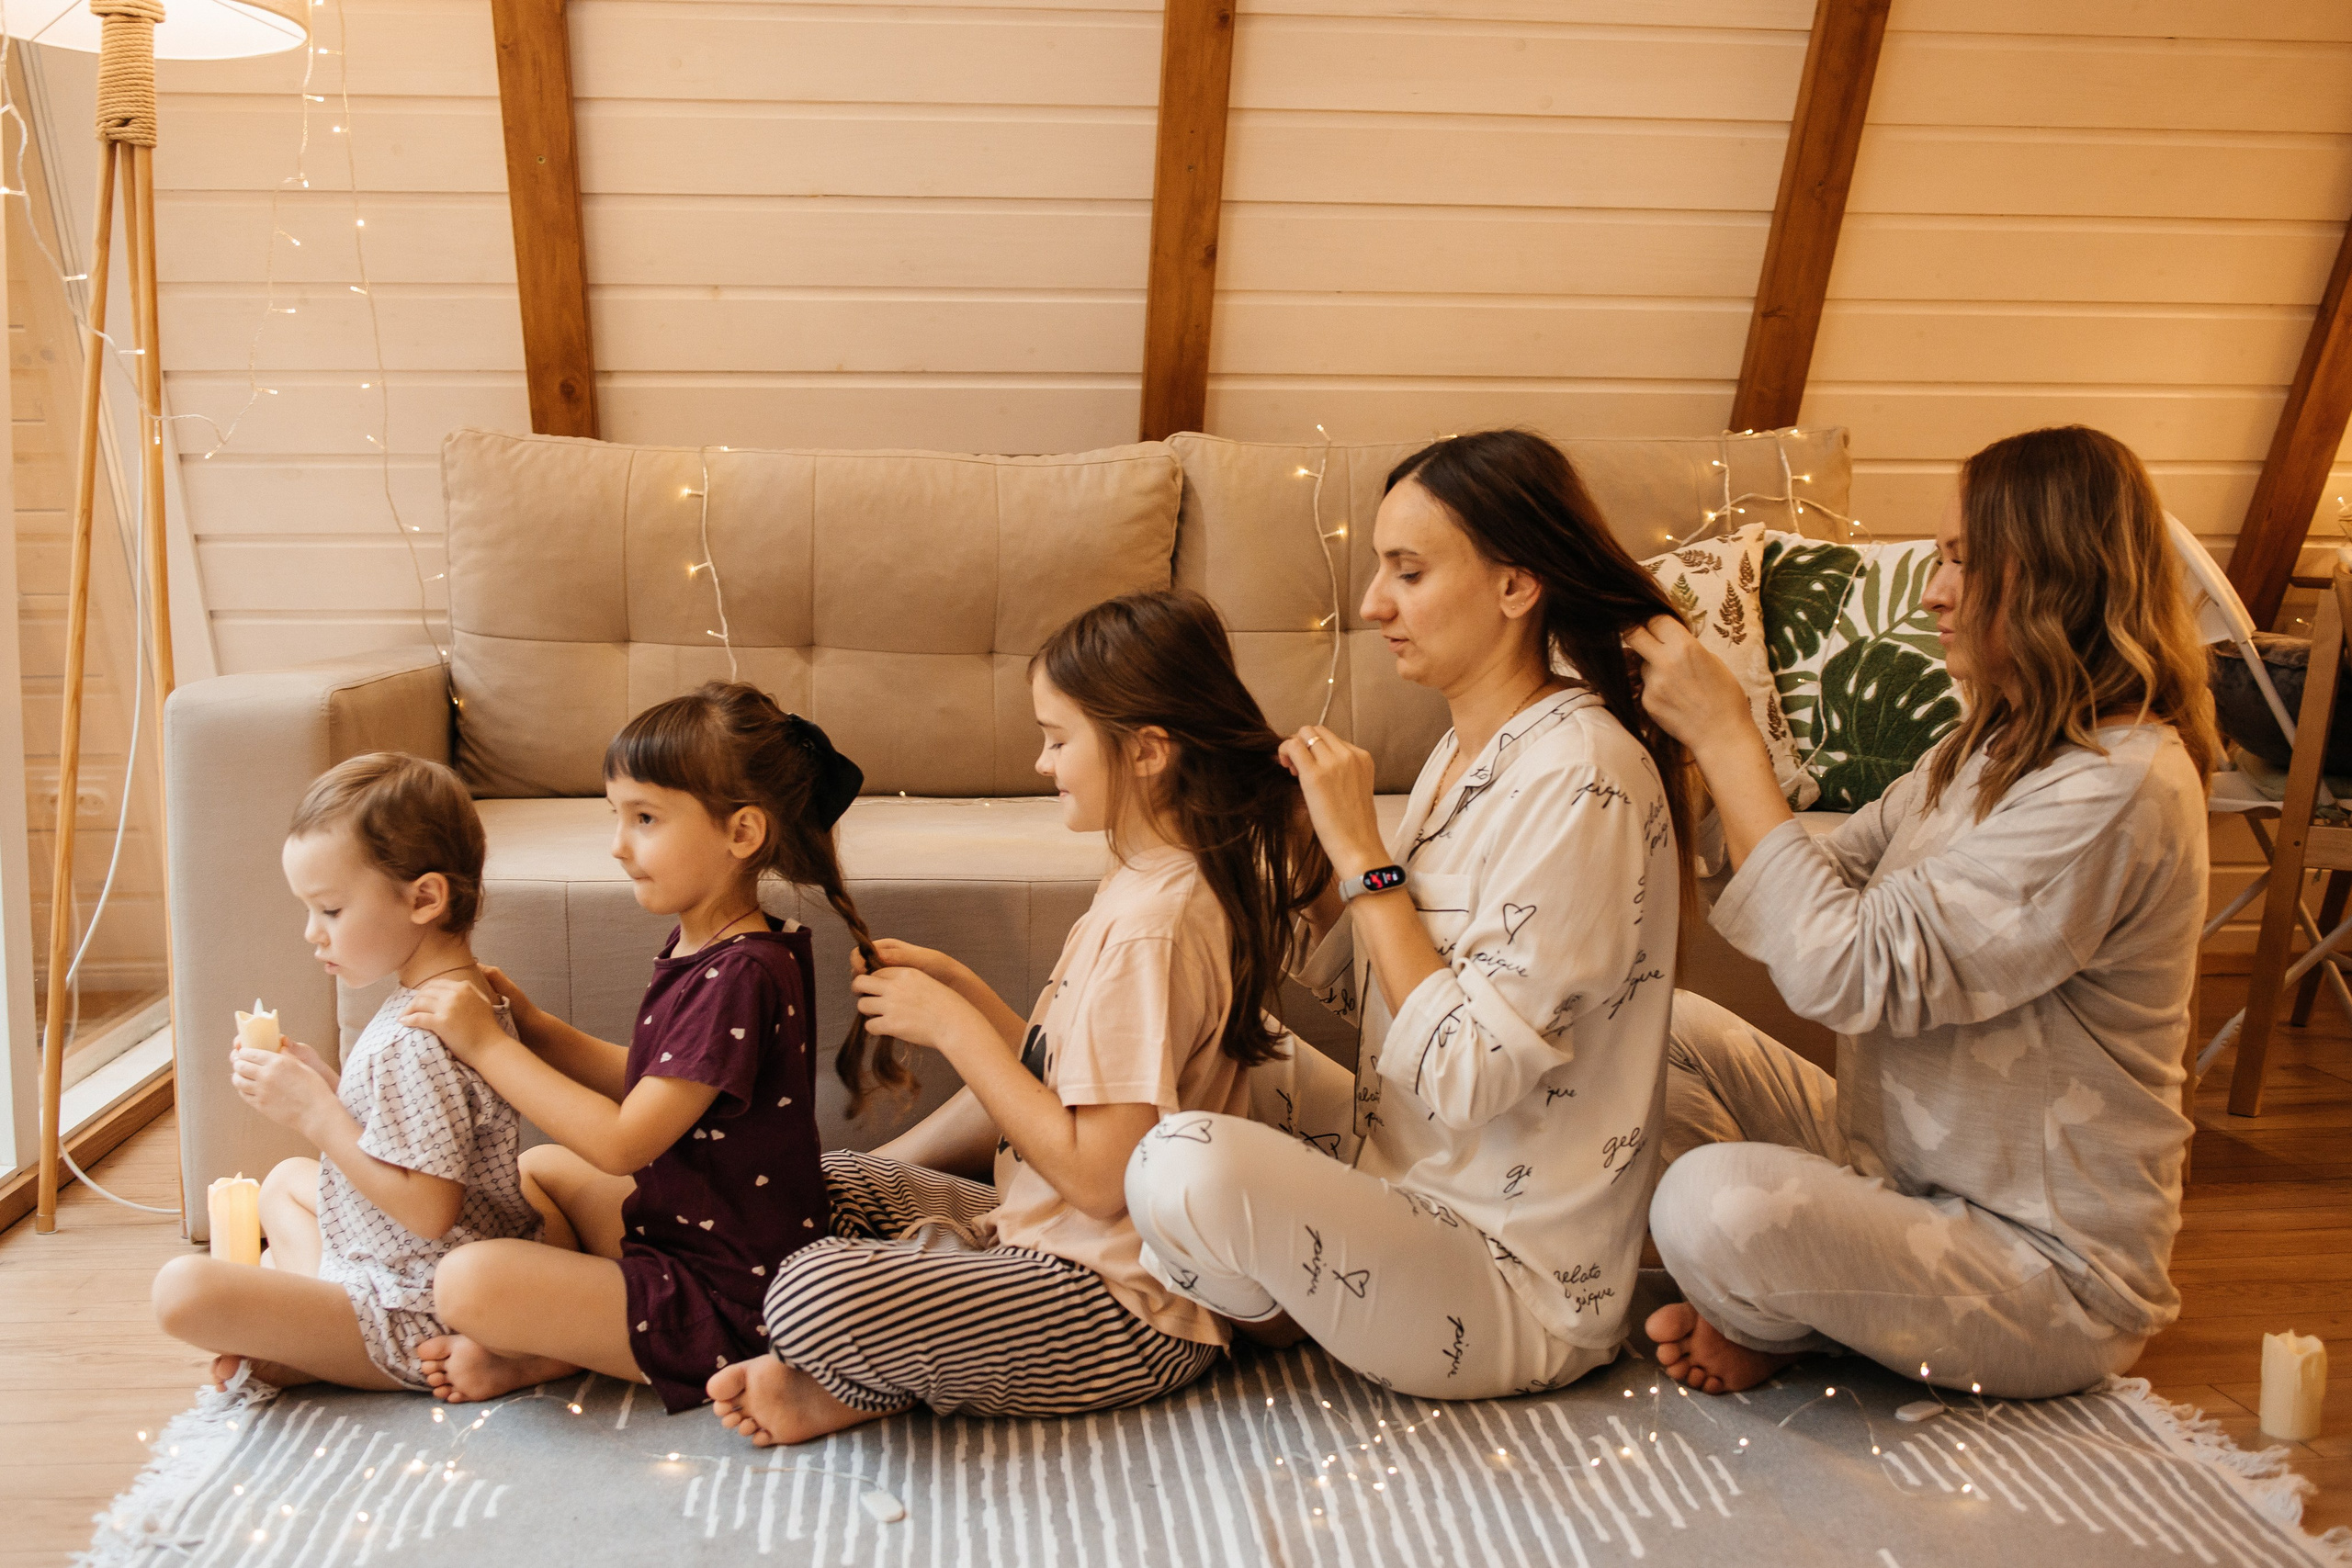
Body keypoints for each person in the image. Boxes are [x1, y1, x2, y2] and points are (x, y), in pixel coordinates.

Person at [1628, 423, 2216, 1401]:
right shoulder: (1981, 750)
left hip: (2043, 1273)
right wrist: (1686, 761)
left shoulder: (2118, 786)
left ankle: (1785, 1314)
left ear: (2058, 579)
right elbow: (1819, 876)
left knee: (1710, 1204)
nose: (1933, 591)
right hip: (1896, 1172)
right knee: (1667, 1032)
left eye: (1963, 562)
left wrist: (1734, 734)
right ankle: (1796, 1296)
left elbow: (1851, 970)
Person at [1123, 429, 1696, 1400]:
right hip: (1395, 1182)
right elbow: (1369, 1009)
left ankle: (1254, 1317)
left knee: (1177, 1163)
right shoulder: (1465, 751)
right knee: (1171, 1049)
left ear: (1516, 587)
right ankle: (1262, 1290)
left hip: (1506, 1286)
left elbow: (1463, 1077)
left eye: (1408, 571)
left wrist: (1365, 859)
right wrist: (1309, 858)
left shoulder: (1581, 776)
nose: (1372, 604)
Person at [707, 590, 1330, 1446]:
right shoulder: (1141, 878)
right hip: (1029, 1232)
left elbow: (1103, 1179)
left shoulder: (1157, 921)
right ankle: (895, 1339)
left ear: (1147, 749)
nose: (1043, 763)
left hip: (1118, 1305)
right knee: (795, 1189)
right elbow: (1067, 1071)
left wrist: (955, 1030)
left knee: (812, 1287)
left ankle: (862, 1370)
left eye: (1059, 738)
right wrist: (962, 987)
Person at [396, 682, 887, 1410]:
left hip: (729, 1298)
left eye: (646, 818)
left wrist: (489, 1047)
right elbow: (652, 1082)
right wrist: (532, 1025)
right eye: (616, 815)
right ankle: (577, 1325)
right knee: (544, 1167)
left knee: (466, 1281)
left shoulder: (741, 972)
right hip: (684, 1231)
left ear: (742, 833)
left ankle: (552, 1350)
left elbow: (625, 1142)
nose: (619, 844)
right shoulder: (718, 943)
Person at [151, 752, 541, 1393]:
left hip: (412, 1311)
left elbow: (428, 1207)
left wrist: (316, 1114)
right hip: (422, 1265)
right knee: (283, 1183)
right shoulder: (465, 999)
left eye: (330, 910)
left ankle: (311, 1344)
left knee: (182, 1290)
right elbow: (425, 1139)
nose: (313, 933)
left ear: (424, 897)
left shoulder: (410, 1043)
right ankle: (303, 1330)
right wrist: (332, 1088)